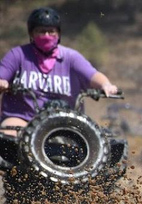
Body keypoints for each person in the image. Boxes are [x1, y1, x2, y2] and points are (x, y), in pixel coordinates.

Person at [0, 7, 119, 136]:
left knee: (100, 139)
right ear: (32, 33)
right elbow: (2, 75)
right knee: (8, 136)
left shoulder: (71, 57)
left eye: (51, 31)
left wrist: (105, 84)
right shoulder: (18, 55)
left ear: (58, 33)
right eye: (41, 31)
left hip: (66, 121)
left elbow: (92, 75)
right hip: (23, 120)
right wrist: (2, 83)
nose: (47, 36)